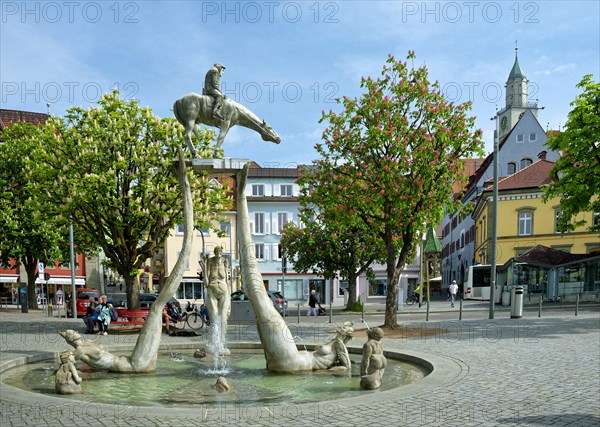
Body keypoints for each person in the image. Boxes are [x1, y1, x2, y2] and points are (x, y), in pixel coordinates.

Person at [205, 246, 231, 341]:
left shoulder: (225, 261)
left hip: (224, 290)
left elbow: (227, 280)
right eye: (216, 251)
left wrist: (229, 294)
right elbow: (206, 282)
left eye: (219, 251)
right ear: (214, 252)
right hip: (212, 288)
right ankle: (214, 340)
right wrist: (204, 266)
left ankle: (222, 341)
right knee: (214, 316)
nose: (218, 252)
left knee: (223, 316)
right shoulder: (210, 261)